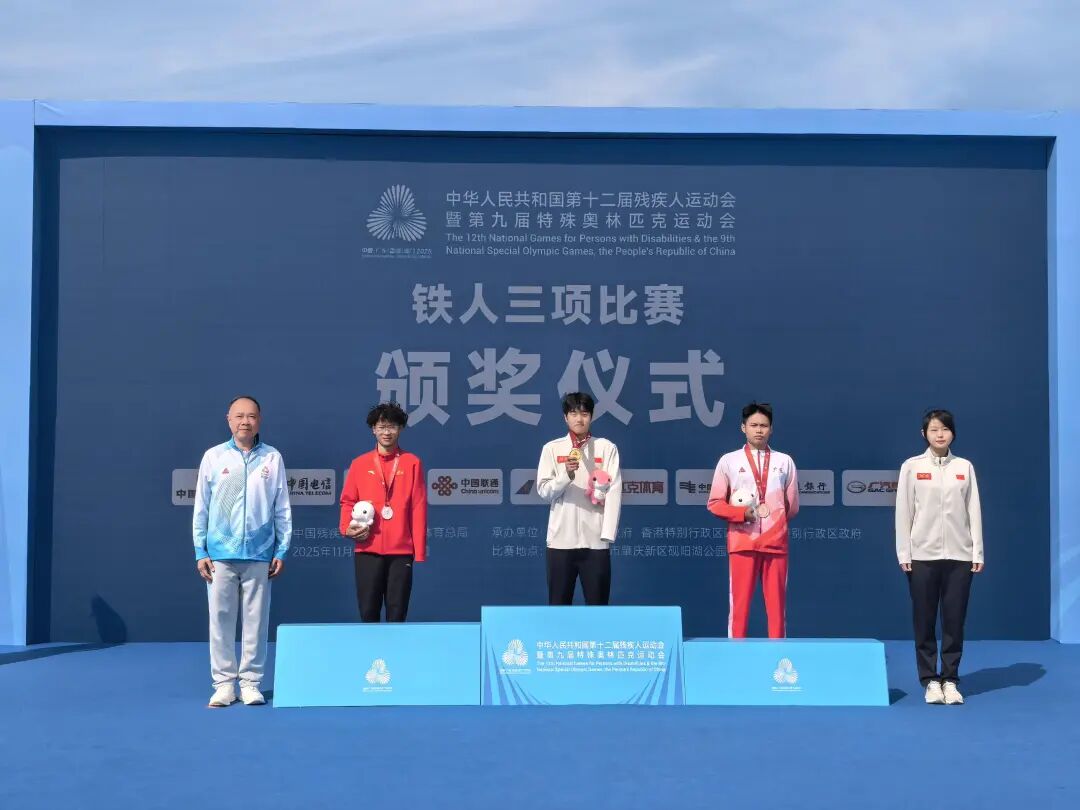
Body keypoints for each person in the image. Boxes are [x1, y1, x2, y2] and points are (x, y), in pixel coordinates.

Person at [193, 395, 292, 708]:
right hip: (220, 554)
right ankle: (224, 684)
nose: (245, 421)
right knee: (220, 620)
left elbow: (282, 508)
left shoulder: (272, 458)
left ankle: (250, 683)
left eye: (251, 416)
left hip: (260, 553)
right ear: (229, 419)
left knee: (256, 621)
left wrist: (281, 549)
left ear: (259, 420)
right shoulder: (213, 457)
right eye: (239, 416)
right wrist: (200, 550)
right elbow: (201, 506)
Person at [896, 408, 984, 706]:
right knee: (924, 620)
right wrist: (904, 551)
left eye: (945, 429)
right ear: (924, 434)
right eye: (934, 429)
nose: (940, 434)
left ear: (953, 433)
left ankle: (950, 679)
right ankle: (930, 680)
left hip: (960, 556)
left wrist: (977, 550)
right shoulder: (912, 466)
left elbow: (973, 510)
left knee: (954, 621)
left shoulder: (964, 467)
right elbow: (904, 512)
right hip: (922, 555)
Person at [707, 402, 799, 638]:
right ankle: (735, 654)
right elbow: (715, 503)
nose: (759, 430)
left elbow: (791, 506)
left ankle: (778, 655)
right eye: (754, 425)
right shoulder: (729, 461)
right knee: (739, 607)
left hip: (776, 545)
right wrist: (742, 515)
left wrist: (774, 522)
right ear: (743, 428)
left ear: (771, 429)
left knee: (777, 609)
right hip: (742, 543)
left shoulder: (785, 461)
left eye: (764, 426)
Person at [339, 402, 427, 622]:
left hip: (401, 550)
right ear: (373, 429)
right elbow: (348, 501)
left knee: (397, 612)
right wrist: (346, 528)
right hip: (367, 548)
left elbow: (418, 507)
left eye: (392, 426)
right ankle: (371, 646)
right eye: (382, 426)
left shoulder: (412, 463)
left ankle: (395, 646)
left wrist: (418, 551)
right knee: (368, 610)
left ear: (401, 429)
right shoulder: (359, 464)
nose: (387, 432)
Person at [535, 392, 622, 605]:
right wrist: (566, 475)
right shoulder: (552, 448)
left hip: (596, 542)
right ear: (565, 417)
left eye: (584, 413)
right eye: (573, 413)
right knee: (558, 606)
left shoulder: (606, 448)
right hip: (560, 542)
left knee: (598, 608)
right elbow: (544, 491)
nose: (579, 419)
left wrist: (607, 534)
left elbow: (614, 492)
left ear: (591, 416)